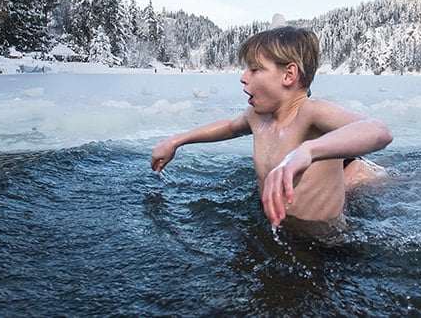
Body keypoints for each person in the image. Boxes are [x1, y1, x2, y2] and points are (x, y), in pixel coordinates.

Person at [150, 26, 393, 235]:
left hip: (323, 240)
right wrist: (177, 141)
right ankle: (351, 172)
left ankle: (359, 173)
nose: (243, 78)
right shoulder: (258, 118)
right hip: (278, 228)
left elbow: (380, 131)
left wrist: (308, 150)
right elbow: (229, 127)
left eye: (254, 69)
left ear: (289, 75)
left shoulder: (310, 114)